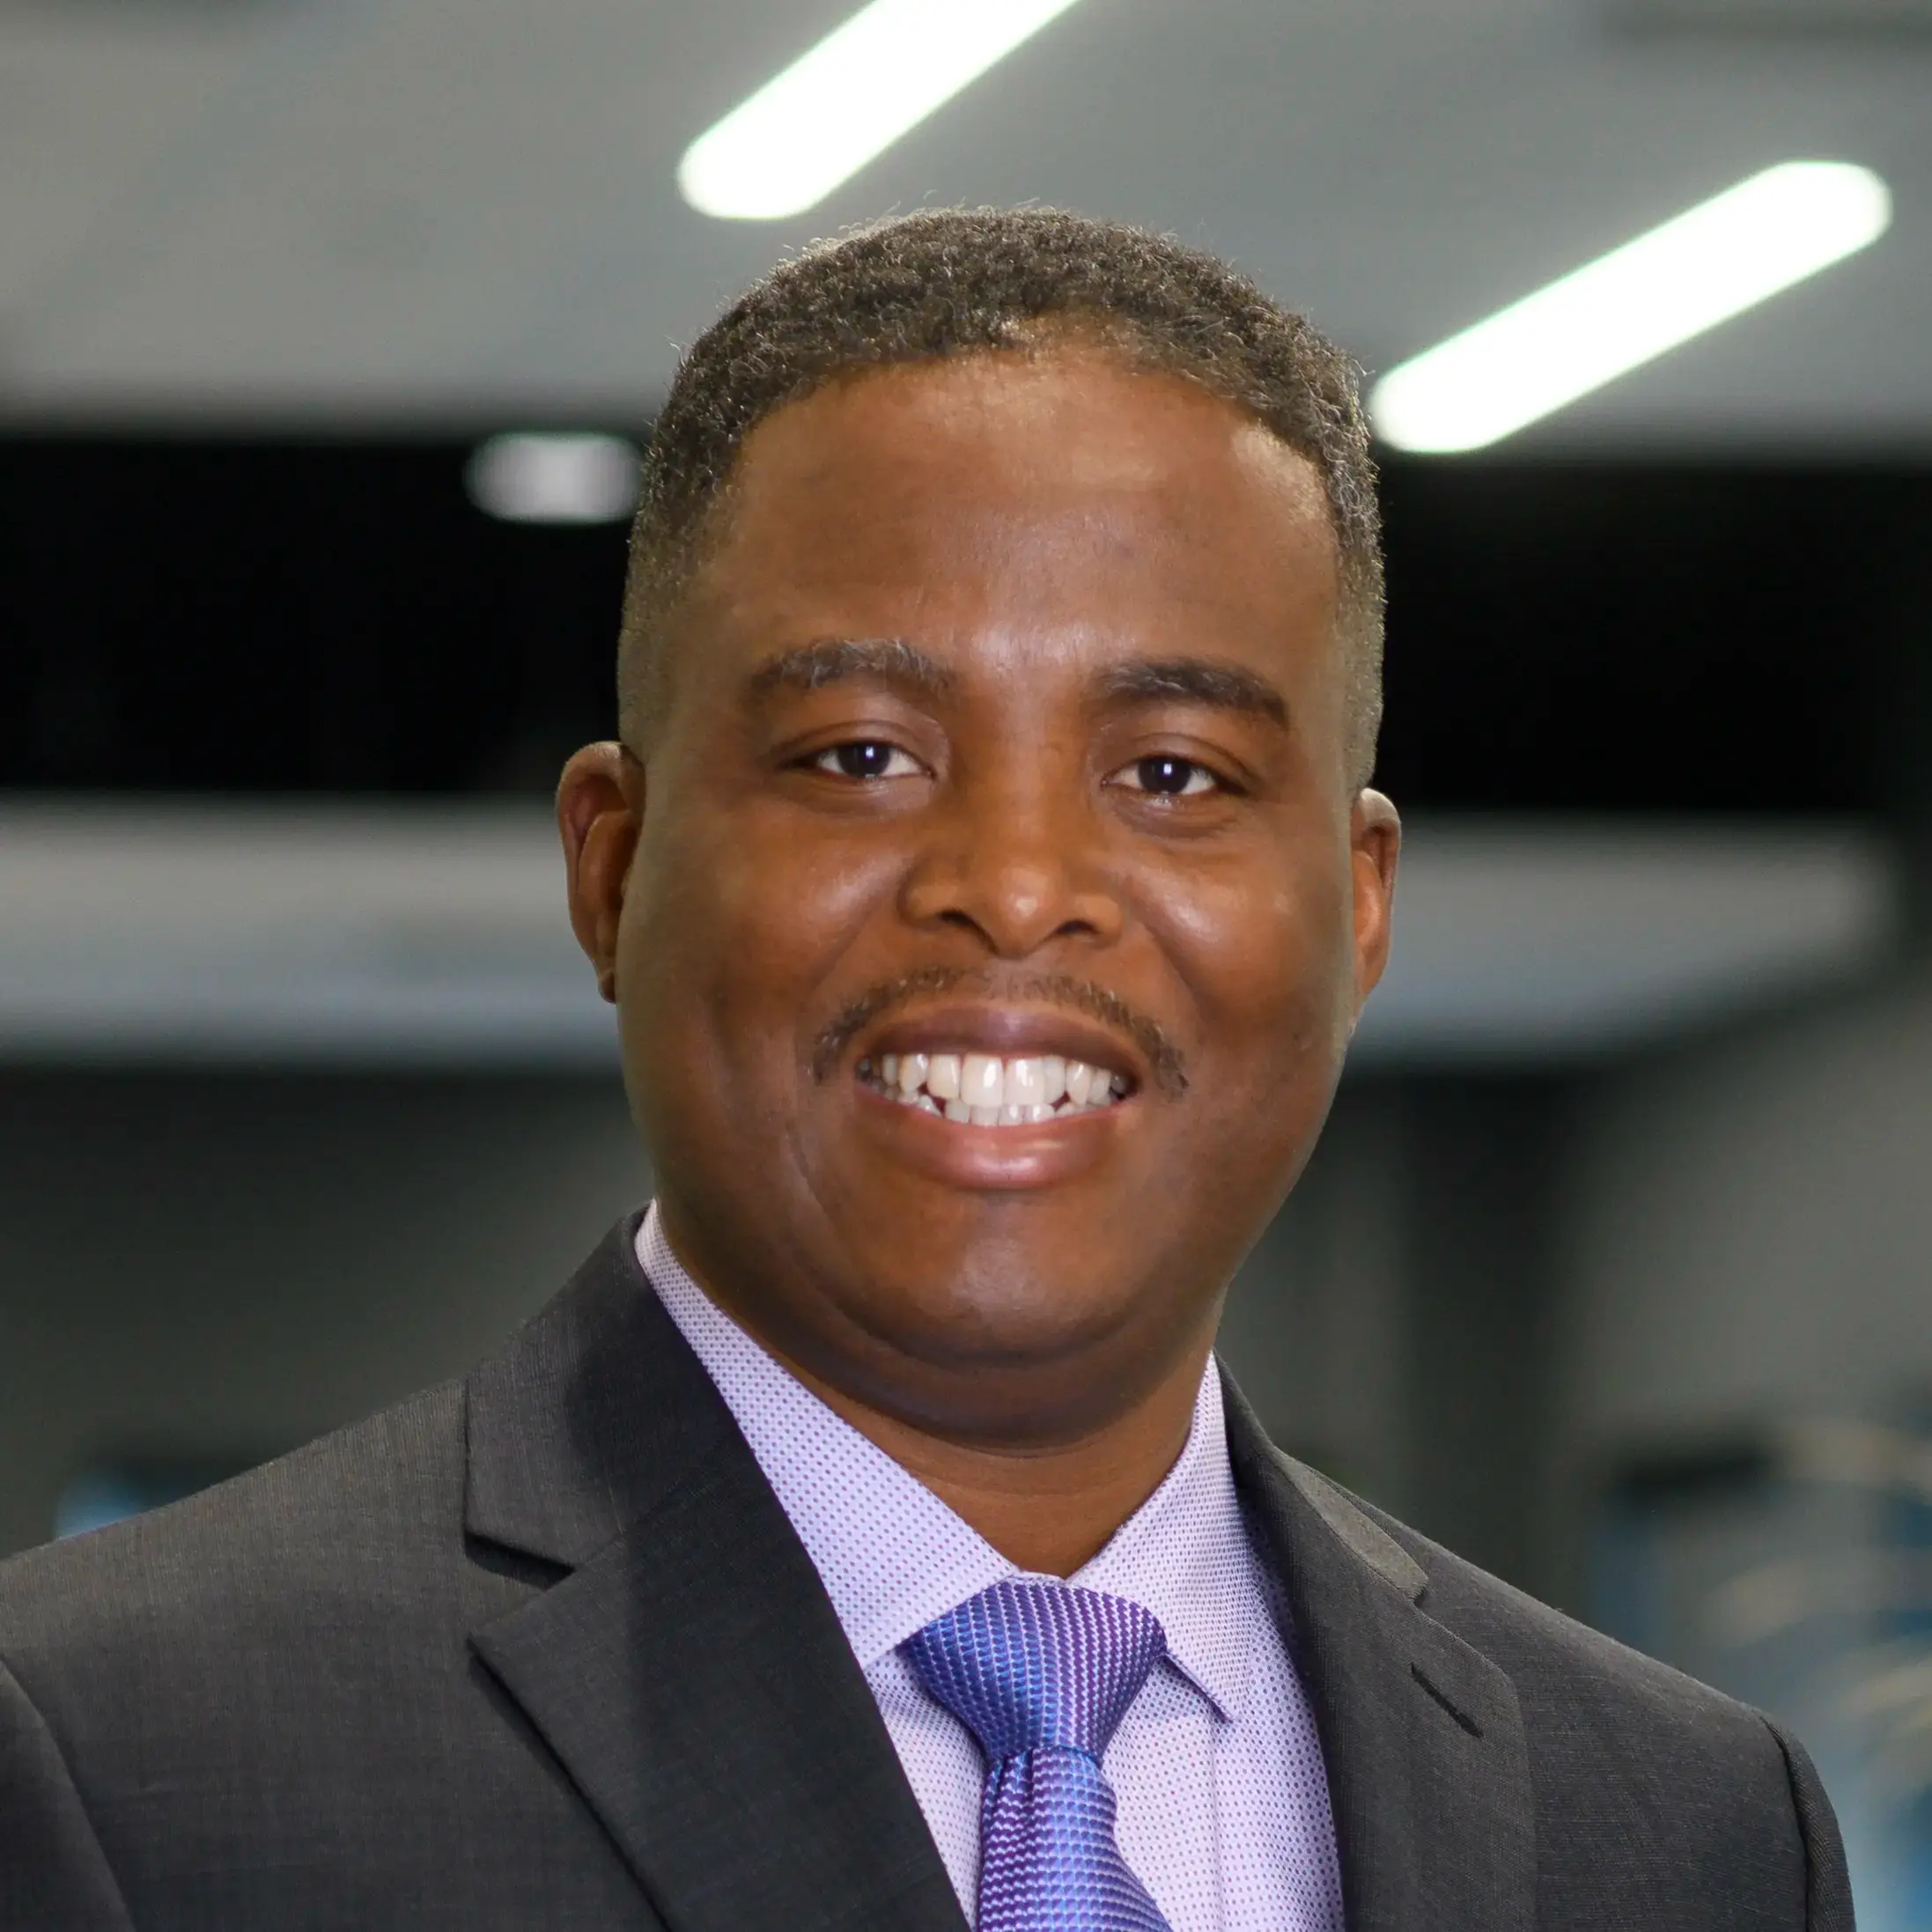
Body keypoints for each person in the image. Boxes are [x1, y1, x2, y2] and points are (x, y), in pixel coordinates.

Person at [0, 208, 1848, 1932]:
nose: (1017, 888)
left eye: (1174, 774)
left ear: (1355, 905)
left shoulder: (1687, 1827)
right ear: (614, 866)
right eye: (859, 754)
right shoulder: (110, 1750)